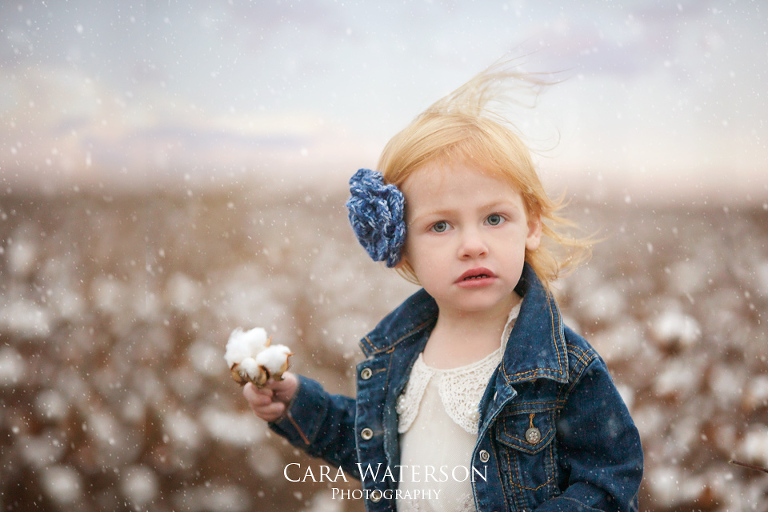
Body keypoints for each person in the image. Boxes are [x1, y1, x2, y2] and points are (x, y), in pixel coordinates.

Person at [242, 62, 644, 512]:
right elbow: (375, 449)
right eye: (440, 226)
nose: (472, 245)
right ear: (402, 247)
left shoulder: (564, 368)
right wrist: (299, 404)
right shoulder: (400, 355)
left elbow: (609, 480)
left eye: (494, 218)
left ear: (530, 226)